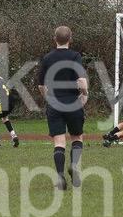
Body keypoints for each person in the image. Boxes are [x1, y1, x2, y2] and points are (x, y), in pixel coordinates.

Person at [38, 26, 88, 190]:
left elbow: (41, 85)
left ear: (55, 38)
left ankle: (60, 177)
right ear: (70, 39)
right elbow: (82, 82)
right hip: (73, 103)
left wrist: (48, 98)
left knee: (59, 142)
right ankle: (73, 165)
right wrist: (84, 93)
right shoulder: (75, 56)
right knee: (77, 138)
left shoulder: (47, 58)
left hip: (55, 104)